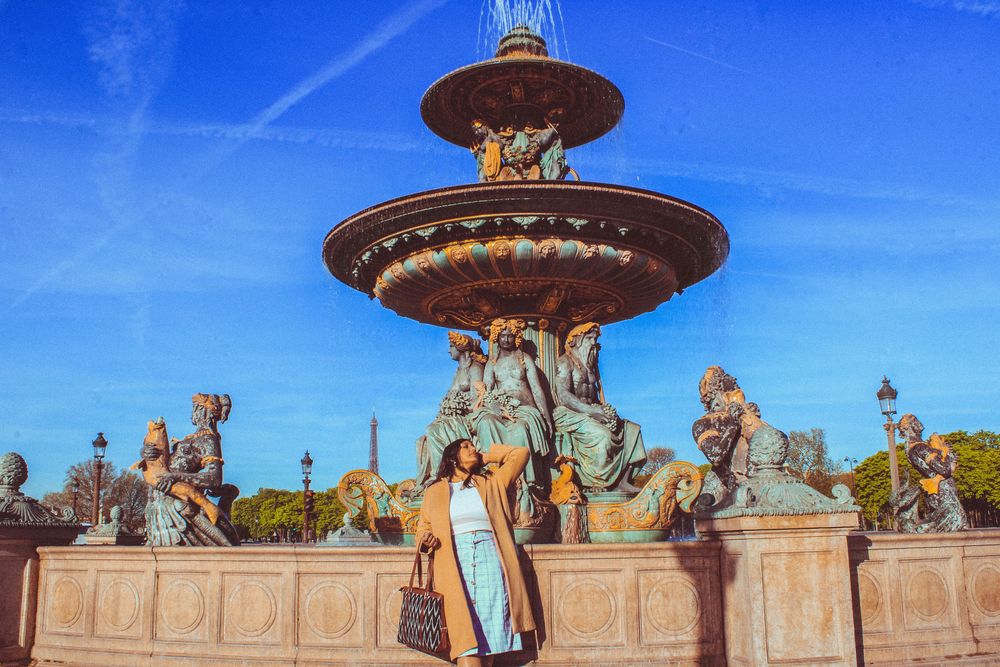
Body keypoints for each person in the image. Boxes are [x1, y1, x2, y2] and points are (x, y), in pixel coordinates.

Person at [415, 439, 536, 665]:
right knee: (465, 640)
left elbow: (521, 453)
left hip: (490, 557)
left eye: (473, 446)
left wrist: (487, 456)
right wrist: (425, 539)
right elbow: (423, 527)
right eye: (466, 446)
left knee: (489, 640)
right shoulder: (435, 491)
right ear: (452, 456)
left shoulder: (491, 482)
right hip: (453, 562)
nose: (472, 448)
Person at [552, 322, 646, 491]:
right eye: (589, 338)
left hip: (591, 411)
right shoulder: (565, 362)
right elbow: (563, 395)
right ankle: (597, 482)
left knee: (632, 430)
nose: (593, 343)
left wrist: (606, 412)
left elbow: (593, 395)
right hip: (568, 413)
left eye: (595, 338)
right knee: (602, 435)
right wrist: (591, 411)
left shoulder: (590, 367)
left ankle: (623, 481)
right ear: (577, 340)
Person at [415, 332, 487, 489]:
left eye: (451, 346)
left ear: (460, 348)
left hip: (468, 415)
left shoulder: (475, 369)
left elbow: (478, 399)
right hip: (454, 416)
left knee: (432, 429)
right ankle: (439, 472)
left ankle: (439, 473)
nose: (449, 350)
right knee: (422, 440)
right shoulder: (458, 371)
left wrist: (458, 408)